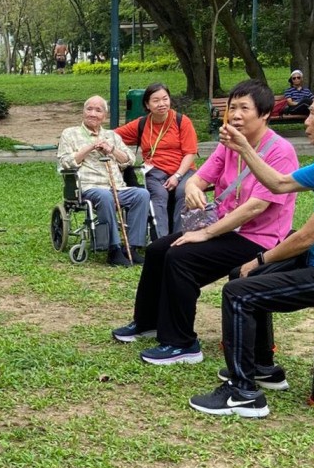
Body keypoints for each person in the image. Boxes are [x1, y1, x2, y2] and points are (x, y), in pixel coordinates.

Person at [188, 87, 314, 419]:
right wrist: (243, 147)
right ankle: (263, 368)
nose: (306, 119)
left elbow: (306, 238)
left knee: (238, 293)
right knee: (248, 277)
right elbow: (279, 183)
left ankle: (244, 394)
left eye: (313, 113)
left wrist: (259, 259)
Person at [111, 79, 298, 365]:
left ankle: (182, 343)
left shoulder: (280, 151)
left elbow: (255, 208)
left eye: (244, 108)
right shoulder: (229, 144)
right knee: (159, 249)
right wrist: (194, 187)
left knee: (180, 257)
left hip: (257, 237)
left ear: (264, 114)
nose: (235, 114)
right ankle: (148, 321)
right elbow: (200, 176)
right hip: (226, 229)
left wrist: (206, 233)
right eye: (232, 107)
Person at [56, 96, 151, 266]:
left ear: (104, 117)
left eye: (98, 110)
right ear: (83, 112)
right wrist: (90, 146)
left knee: (141, 194)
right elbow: (65, 162)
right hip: (89, 188)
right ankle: (113, 249)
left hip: (117, 188)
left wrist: (111, 149)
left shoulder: (112, 136)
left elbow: (129, 160)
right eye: (89, 109)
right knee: (105, 196)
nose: (93, 113)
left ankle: (133, 247)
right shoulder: (70, 133)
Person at [114, 84, 199, 238]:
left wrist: (177, 176)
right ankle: (162, 240)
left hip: (183, 170)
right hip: (155, 171)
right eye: (156, 100)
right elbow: (113, 136)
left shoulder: (182, 121)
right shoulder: (142, 123)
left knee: (183, 192)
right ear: (147, 104)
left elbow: (190, 153)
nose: (162, 104)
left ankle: (180, 237)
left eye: (165, 99)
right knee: (159, 195)